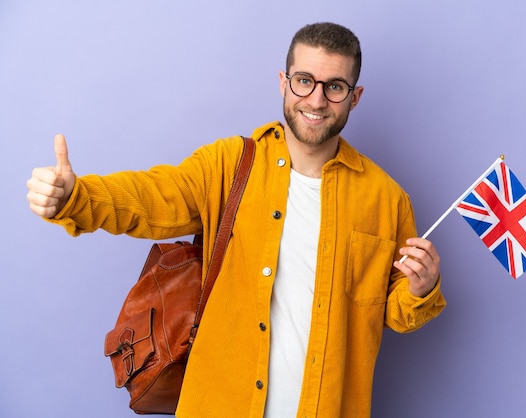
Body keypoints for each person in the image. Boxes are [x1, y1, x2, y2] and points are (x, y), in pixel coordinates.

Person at [26, 22, 446, 418]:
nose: (317, 100)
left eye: (335, 87)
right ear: (284, 83)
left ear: (354, 96)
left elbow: (394, 311)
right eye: (304, 81)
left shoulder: (387, 199)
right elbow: (151, 197)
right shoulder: (229, 165)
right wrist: (76, 197)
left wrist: (420, 289)